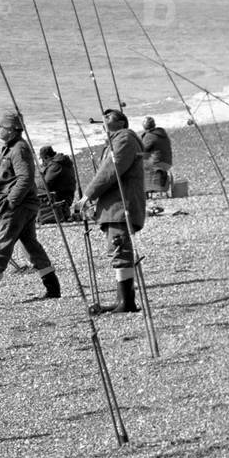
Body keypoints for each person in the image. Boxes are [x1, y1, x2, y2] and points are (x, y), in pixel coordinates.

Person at [0, 111, 61, 306]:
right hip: (24, 205)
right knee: (31, 246)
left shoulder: (19, 149)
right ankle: (53, 288)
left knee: (1, 247)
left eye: (1, 127)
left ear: (12, 131)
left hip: (18, 207)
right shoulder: (13, 147)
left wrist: (11, 202)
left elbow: (25, 178)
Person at [77, 108, 146, 313]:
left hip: (121, 205)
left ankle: (127, 302)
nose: (104, 119)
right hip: (114, 205)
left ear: (123, 122)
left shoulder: (124, 139)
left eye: (110, 117)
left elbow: (110, 172)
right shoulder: (115, 141)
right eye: (104, 116)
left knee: (120, 250)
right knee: (117, 250)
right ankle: (122, 301)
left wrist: (87, 196)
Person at [37, 144, 76, 222]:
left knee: (32, 191)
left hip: (61, 197)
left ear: (47, 157)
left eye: (43, 160)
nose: (43, 162)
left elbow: (45, 184)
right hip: (66, 195)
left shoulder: (56, 165)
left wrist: (42, 172)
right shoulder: (61, 162)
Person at [141, 116, 173, 194]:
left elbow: (142, 149)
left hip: (158, 163)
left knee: (138, 163)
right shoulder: (162, 134)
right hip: (168, 162)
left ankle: (147, 188)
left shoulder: (150, 136)